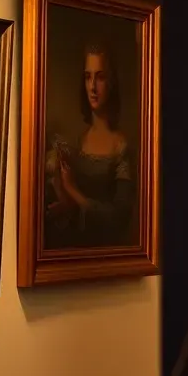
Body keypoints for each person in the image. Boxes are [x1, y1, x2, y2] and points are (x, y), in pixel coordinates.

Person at [44, 45, 135, 249]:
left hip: (107, 252)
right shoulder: (80, 141)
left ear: (111, 82)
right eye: (87, 77)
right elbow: (79, 212)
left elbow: (119, 218)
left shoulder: (121, 146)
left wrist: (72, 190)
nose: (92, 87)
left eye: (100, 77)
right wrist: (66, 205)